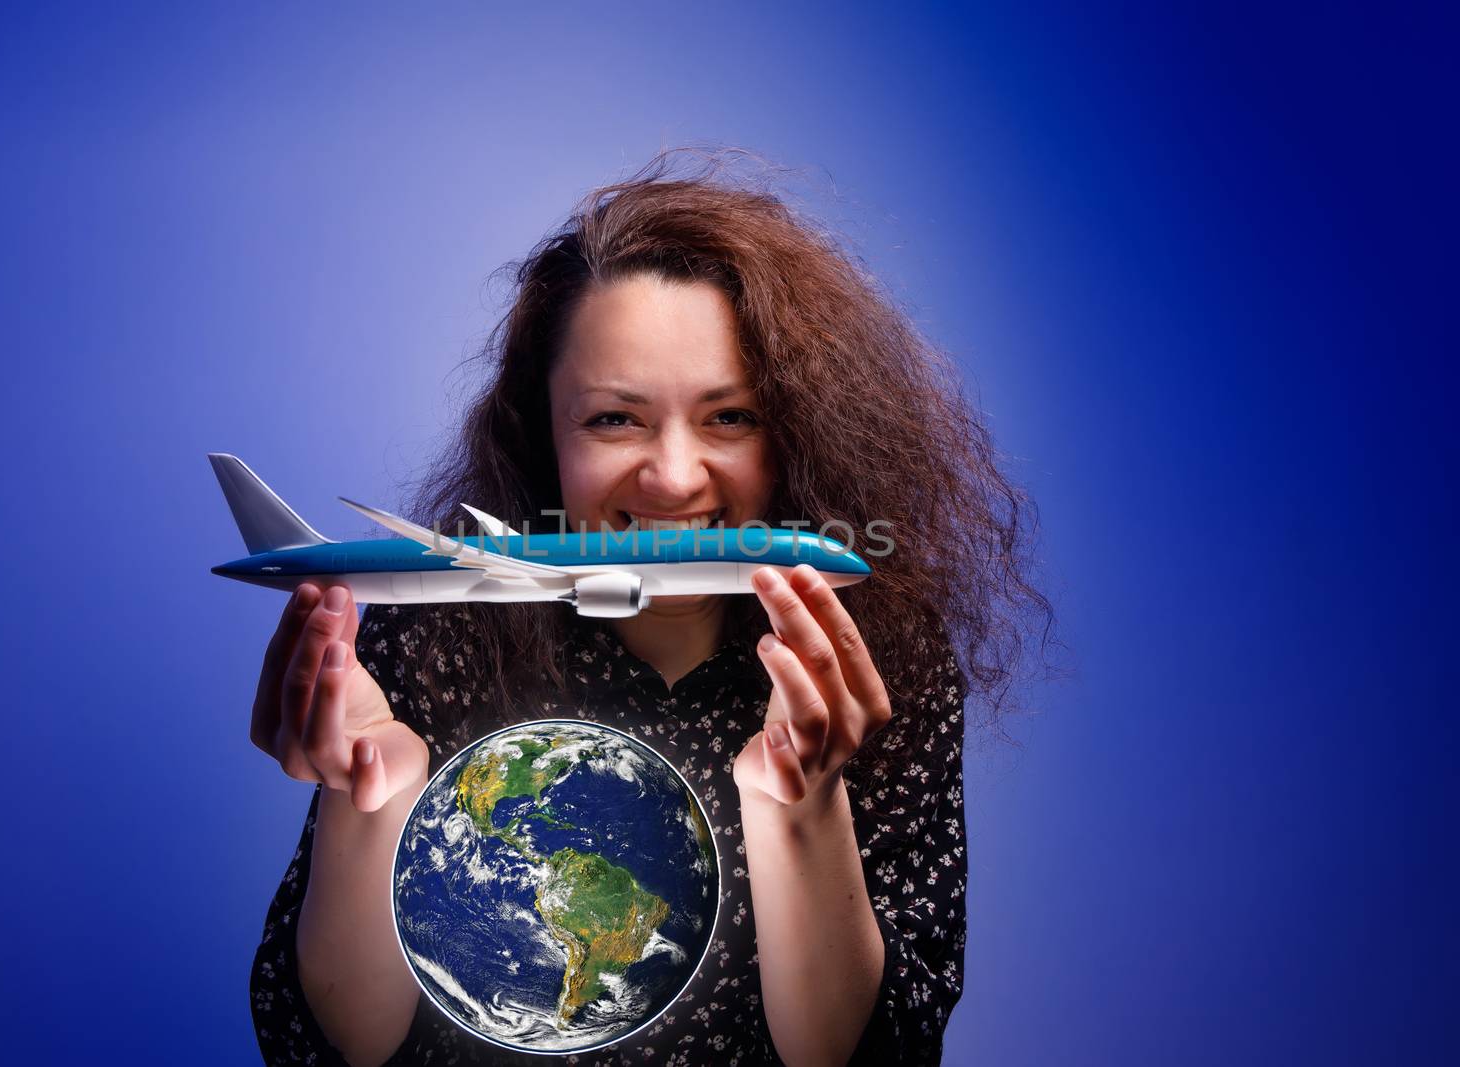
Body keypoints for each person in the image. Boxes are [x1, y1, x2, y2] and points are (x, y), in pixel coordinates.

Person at [248, 148, 1053, 1066]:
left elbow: (879, 1054)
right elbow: (329, 1047)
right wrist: (368, 795)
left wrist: (804, 805)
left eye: (730, 416)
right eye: (613, 418)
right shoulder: (429, 642)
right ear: (540, 432)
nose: (673, 477)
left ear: (799, 428)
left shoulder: (885, 665)